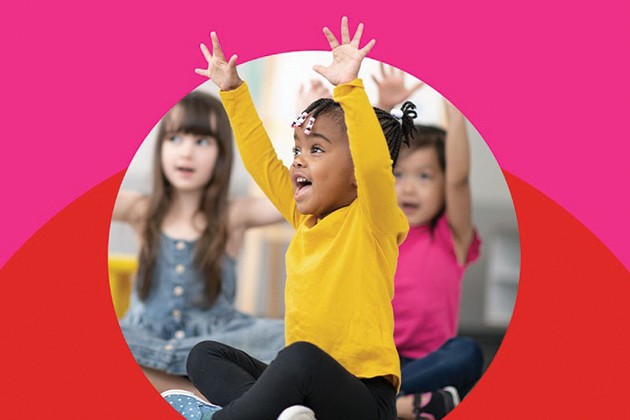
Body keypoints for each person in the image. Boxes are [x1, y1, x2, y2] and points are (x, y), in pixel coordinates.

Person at [162, 17, 415, 420]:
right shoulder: (304, 220)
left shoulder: (374, 220)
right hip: (306, 396)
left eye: (316, 149)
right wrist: (232, 92)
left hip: (365, 400)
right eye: (298, 147)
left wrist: (349, 87)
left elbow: (373, 168)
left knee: (299, 360)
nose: (298, 158)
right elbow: (263, 162)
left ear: (355, 172)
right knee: (205, 355)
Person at [112, 89, 285, 396]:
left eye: (202, 141)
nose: (186, 152)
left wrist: (309, 135)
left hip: (216, 341)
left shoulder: (234, 214)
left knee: (295, 340)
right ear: (160, 147)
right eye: (175, 138)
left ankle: (191, 395)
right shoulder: (142, 210)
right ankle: (209, 397)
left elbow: (295, 199)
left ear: (222, 153)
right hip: (144, 339)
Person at [372, 65, 484, 419]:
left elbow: (460, 180)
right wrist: (384, 109)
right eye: (398, 174)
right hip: (378, 360)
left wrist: (456, 117)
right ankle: (406, 406)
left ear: (442, 182)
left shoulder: (452, 236)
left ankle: (371, 404)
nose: (407, 187)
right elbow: (367, 165)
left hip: (431, 364)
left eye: (424, 176)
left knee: (467, 352)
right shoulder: (380, 229)